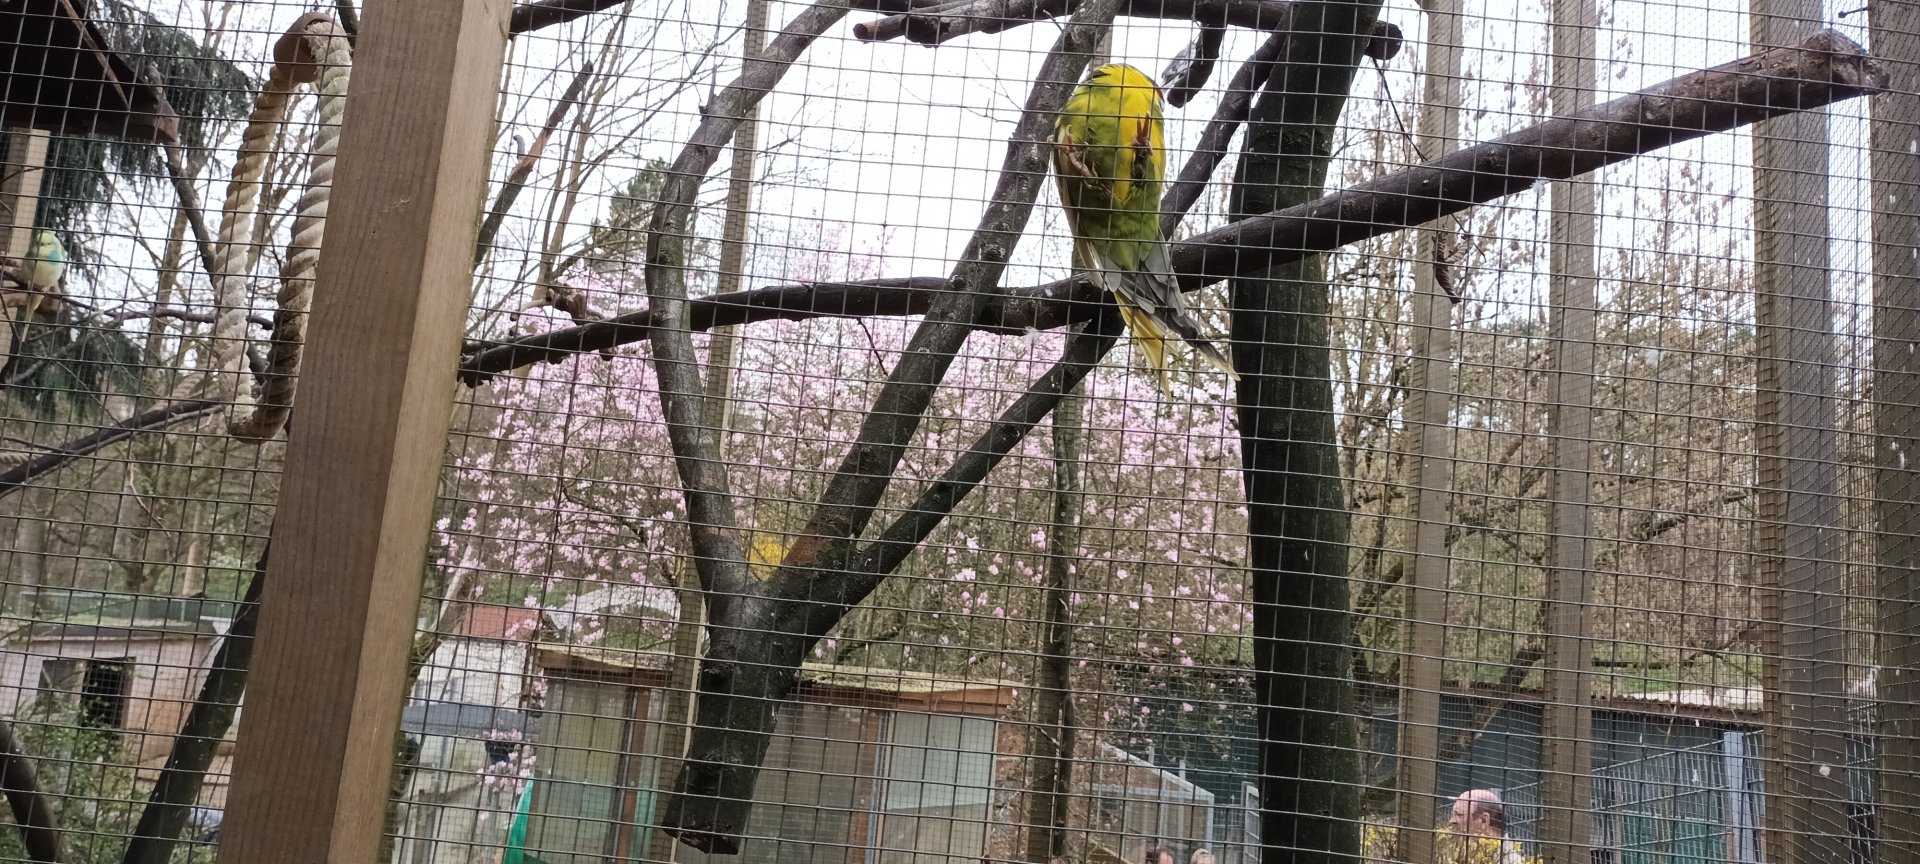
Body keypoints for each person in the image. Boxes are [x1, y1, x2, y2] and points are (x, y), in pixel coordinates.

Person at [1447, 789, 1528, 864]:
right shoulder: (1459, 851)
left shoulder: (1510, 861)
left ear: (1484, 820)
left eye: (1459, 815)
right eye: (1453, 814)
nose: (1451, 821)